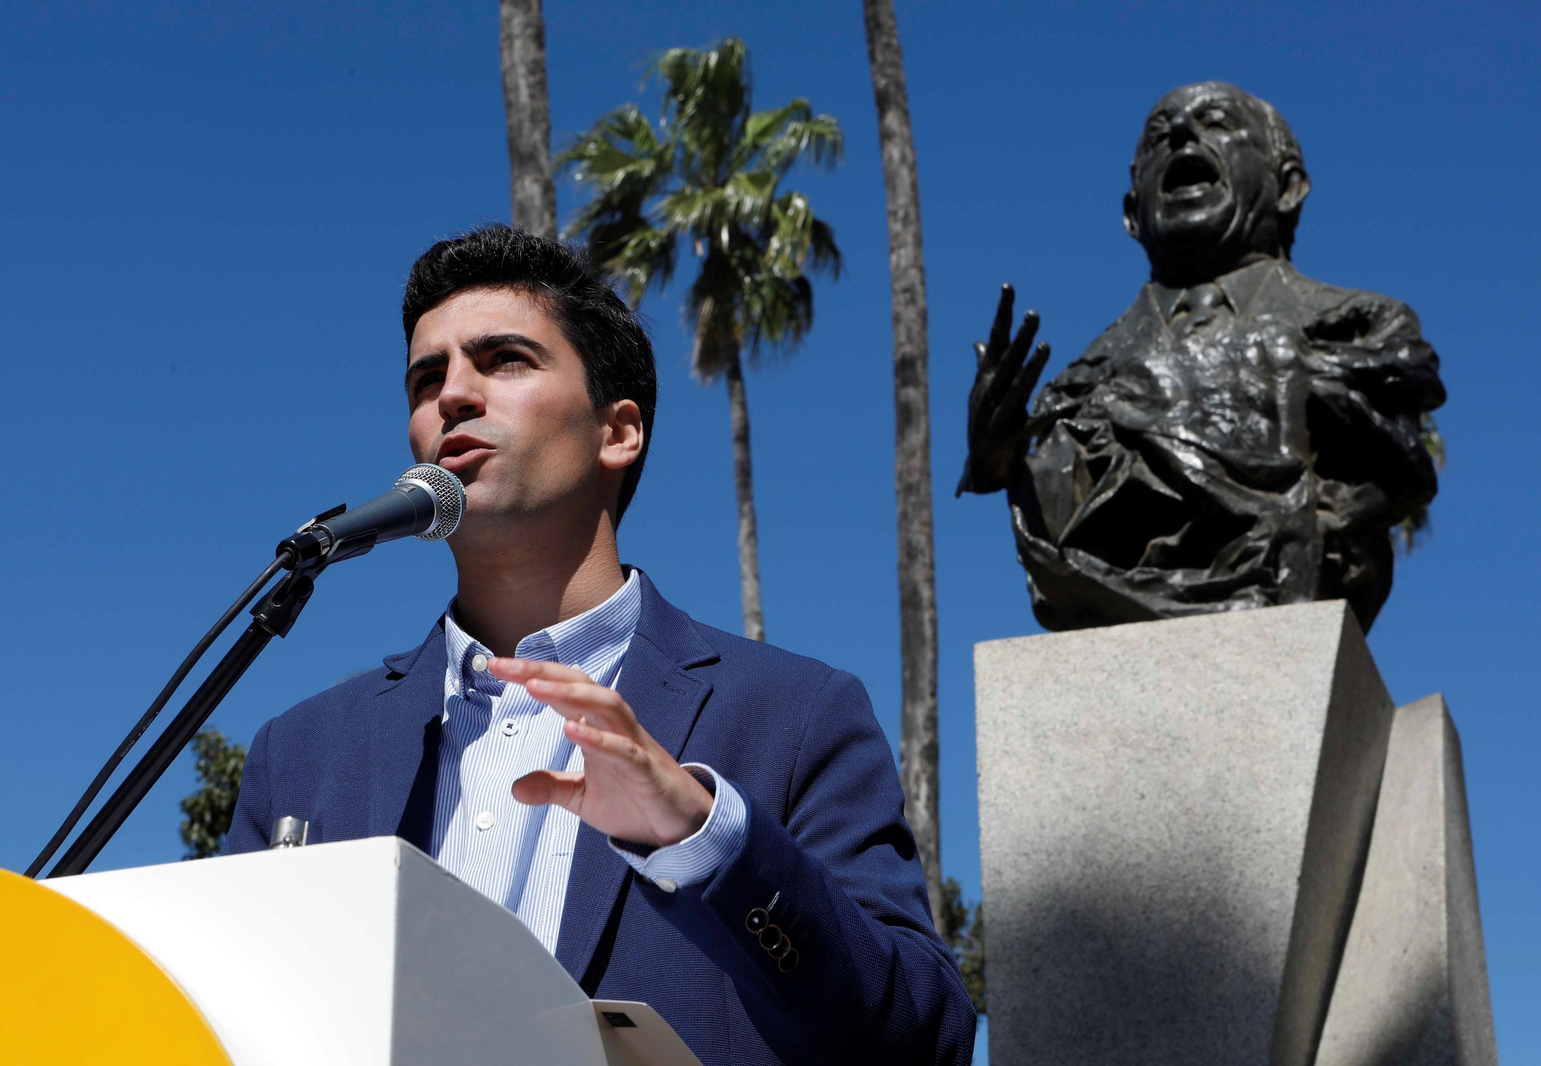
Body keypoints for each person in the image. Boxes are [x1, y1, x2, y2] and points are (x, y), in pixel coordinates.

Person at [225, 225, 975, 1064]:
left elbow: (925, 1038)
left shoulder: (795, 715)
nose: (453, 397)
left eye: (503, 359)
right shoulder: (300, 755)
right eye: (426, 377)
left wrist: (706, 837)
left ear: (618, 432)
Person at [958, 82, 1445, 632]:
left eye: (1215, 121)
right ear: (1131, 213)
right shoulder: (1074, 392)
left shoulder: (1362, 329)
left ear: (1288, 188)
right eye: (1161, 134)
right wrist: (1006, 463)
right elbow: (1058, 549)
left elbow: (1389, 472)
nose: (1184, 134)